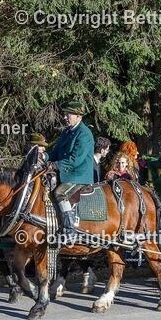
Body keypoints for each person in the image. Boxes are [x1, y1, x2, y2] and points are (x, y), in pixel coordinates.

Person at [46, 101, 95, 238]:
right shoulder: (67, 132)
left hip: (79, 175)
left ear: (79, 116)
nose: (65, 117)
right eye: (65, 114)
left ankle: (69, 229)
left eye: (69, 114)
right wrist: (43, 156)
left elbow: (75, 160)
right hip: (66, 172)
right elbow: (55, 153)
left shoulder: (84, 134)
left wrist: (56, 165)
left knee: (60, 193)